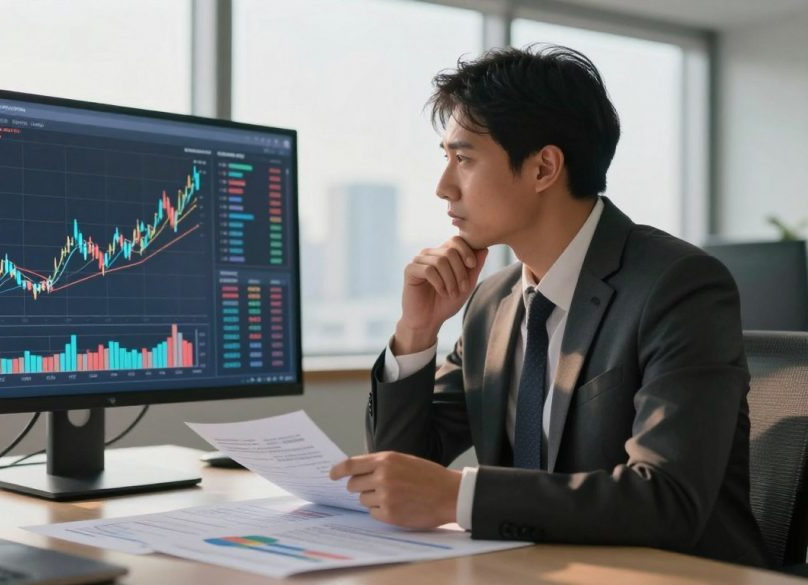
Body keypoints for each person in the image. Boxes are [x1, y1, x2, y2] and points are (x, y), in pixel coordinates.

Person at [329, 44, 768, 567]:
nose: (443, 187)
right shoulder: (492, 302)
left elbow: (666, 500)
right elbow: (403, 474)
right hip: (530, 570)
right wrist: (417, 331)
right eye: (445, 159)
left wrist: (459, 496)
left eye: (464, 159)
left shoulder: (678, 287)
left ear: (543, 168)